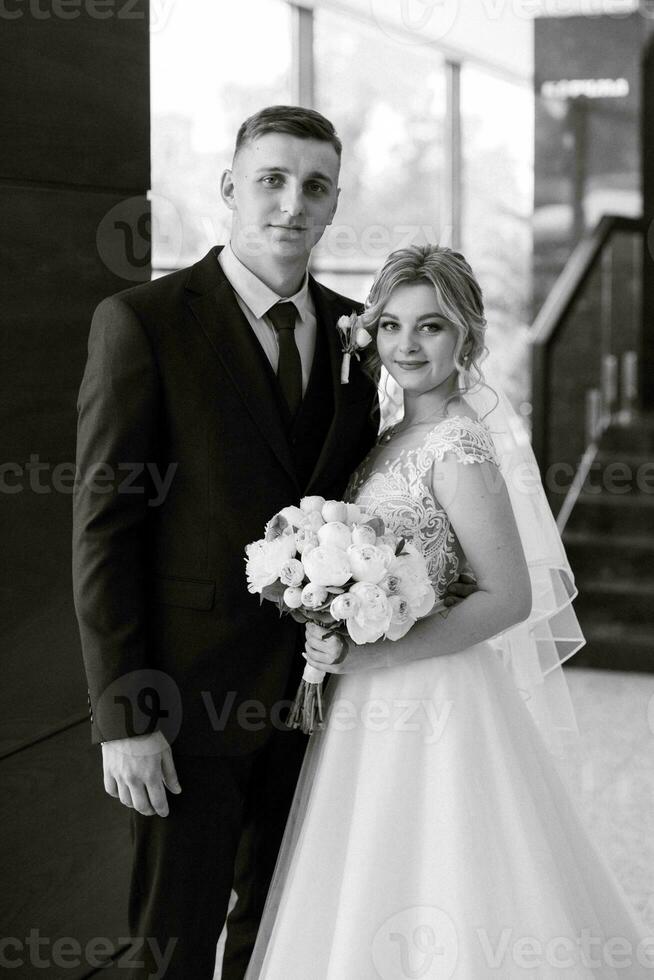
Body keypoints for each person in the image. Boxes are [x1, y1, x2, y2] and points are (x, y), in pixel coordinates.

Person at [72, 105, 477, 979]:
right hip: (185, 705)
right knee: (169, 945)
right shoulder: (142, 321)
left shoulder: (357, 338)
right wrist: (124, 718)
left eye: (316, 186)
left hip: (319, 704)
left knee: (284, 937)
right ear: (228, 187)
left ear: (334, 205)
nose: (293, 203)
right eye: (272, 179)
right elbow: (104, 530)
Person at [244, 244, 654, 979]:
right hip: (366, 695)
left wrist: (373, 651)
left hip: (431, 693)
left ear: (465, 334)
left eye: (431, 327)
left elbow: (508, 595)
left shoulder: (459, 444)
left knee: (443, 870)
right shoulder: (390, 436)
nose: (408, 344)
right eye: (393, 324)